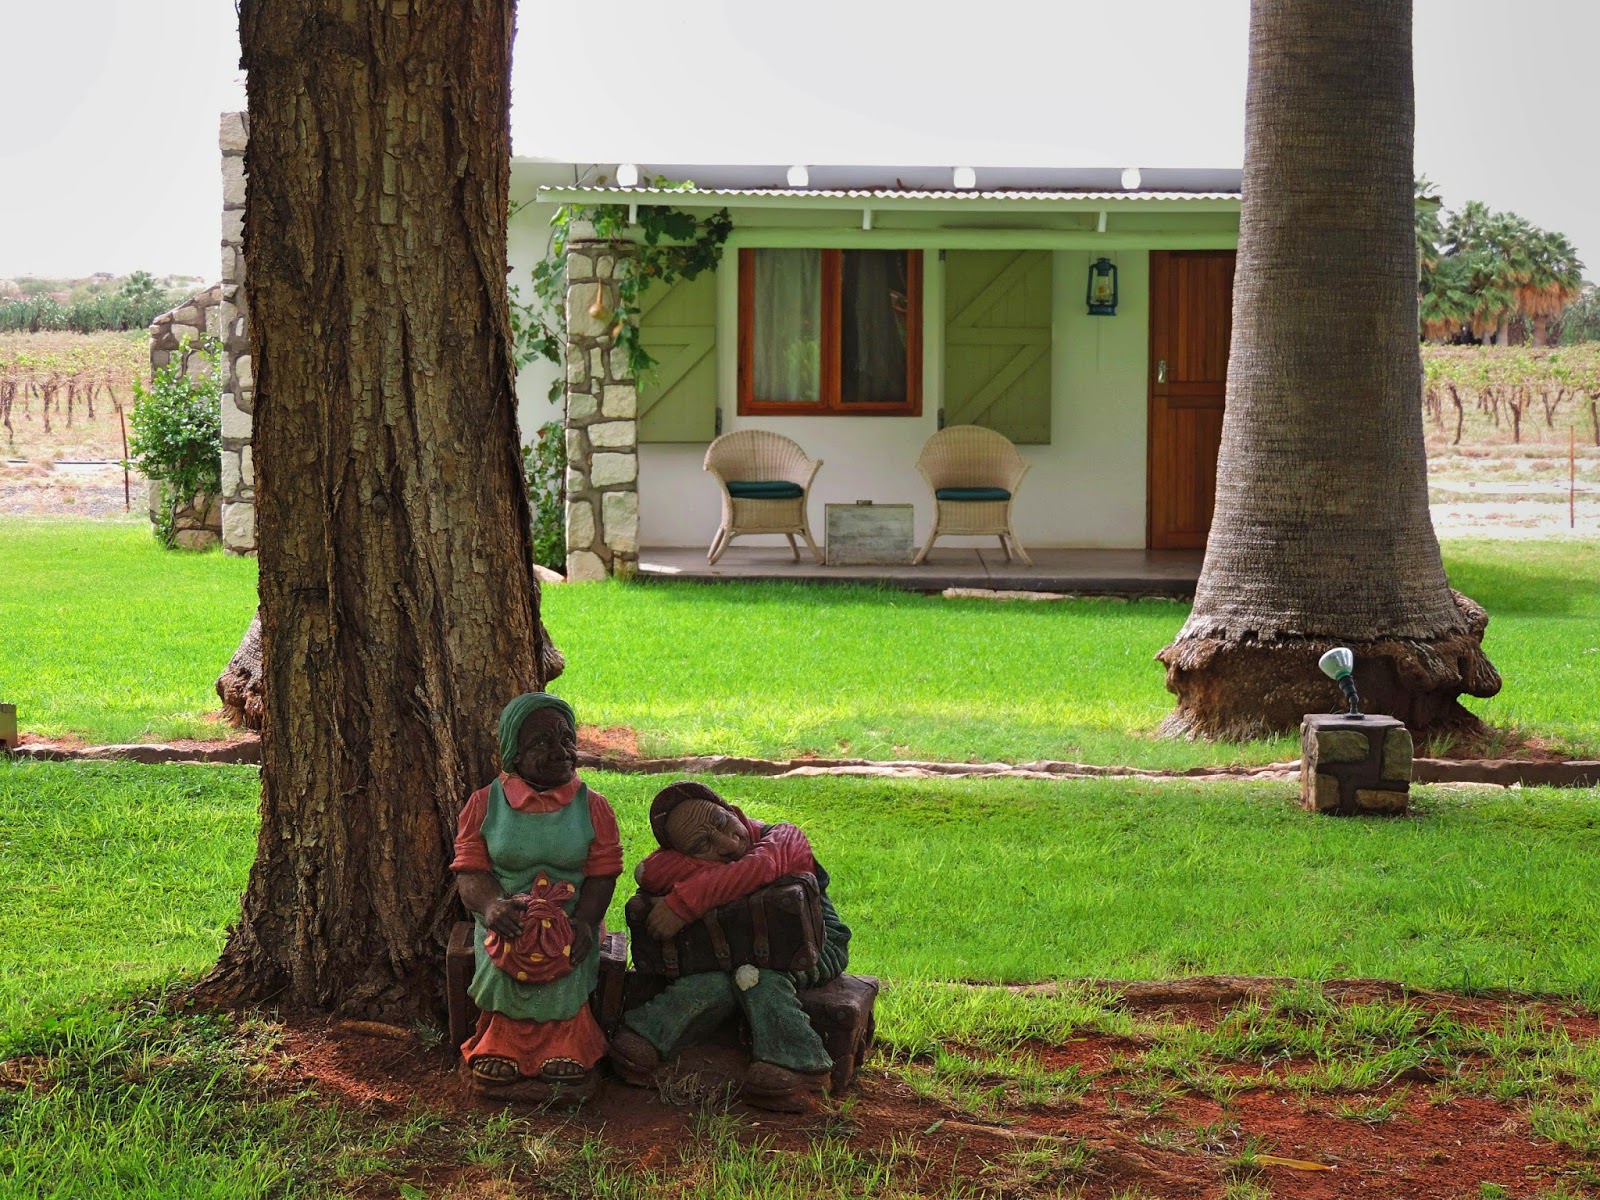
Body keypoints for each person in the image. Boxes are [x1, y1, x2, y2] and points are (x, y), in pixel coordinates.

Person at [609, 781, 851, 1111]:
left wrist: (685, 901)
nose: (726, 842)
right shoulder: (719, 851)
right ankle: (649, 1036)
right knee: (718, 979)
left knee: (754, 977)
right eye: (702, 843)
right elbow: (649, 872)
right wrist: (717, 873)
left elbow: (761, 867)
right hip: (734, 948)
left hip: (811, 946)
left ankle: (800, 1064)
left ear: (732, 810)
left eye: (722, 822)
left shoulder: (785, 837)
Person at [451, 693, 621, 1099]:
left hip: (571, 918)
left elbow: (602, 874)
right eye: (543, 743)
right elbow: (471, 869)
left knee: (567, 956)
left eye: (567, 739)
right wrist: (492, 905)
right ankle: (498, 1042)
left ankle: (568, 1043)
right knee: (503, 955)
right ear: (514, 752)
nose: (561, 751)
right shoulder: (485, 804)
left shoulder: (593, 806)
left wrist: (586, 920)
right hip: (507, 917)